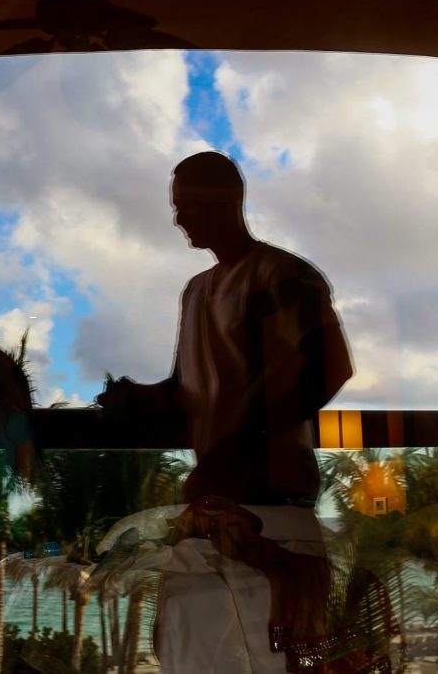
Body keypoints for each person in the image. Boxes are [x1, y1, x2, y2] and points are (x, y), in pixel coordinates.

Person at [98, 152, 399, 671]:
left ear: (225, 200)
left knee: (275, 660)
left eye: (186, 204)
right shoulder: (196, 292)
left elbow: (330, 368)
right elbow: (184, 388)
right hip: (214, 510)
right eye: (176, 207)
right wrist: (142, 397)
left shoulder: (285, 275)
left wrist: (238, 447)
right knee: (192, 660)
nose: (178, 219)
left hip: (274, 509)